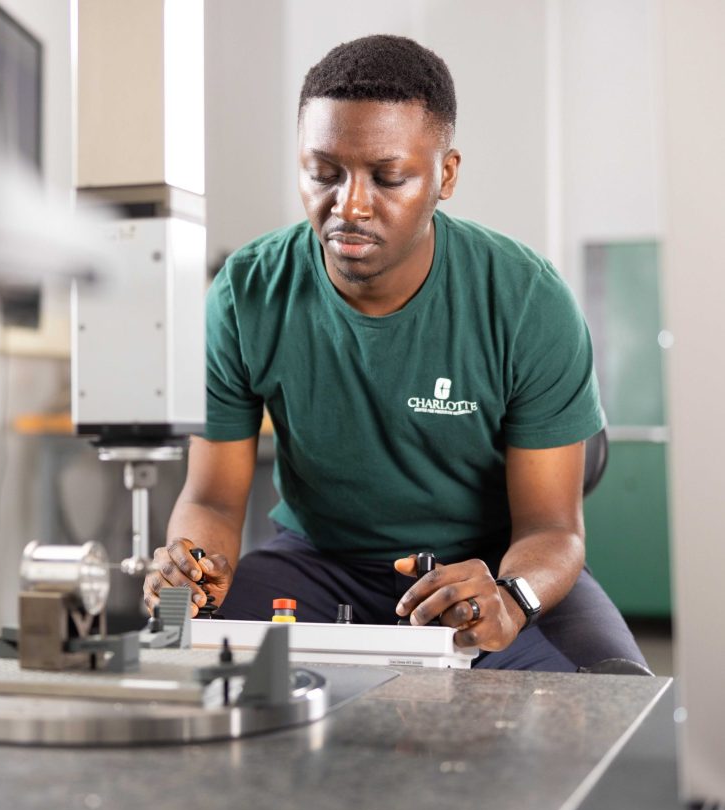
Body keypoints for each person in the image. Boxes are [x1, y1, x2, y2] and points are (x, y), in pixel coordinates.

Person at [142, 34, 647, 672]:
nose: (349, 205)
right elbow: (212, 499)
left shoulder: (526, 300)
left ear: (446, 175)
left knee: (613, 704)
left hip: (486, 569)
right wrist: (193, 569)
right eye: (324, 173)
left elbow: (553, 530)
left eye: (388, 177)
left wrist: (512, 598)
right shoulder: (246, 292)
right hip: (319, 562)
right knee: (190, 671)